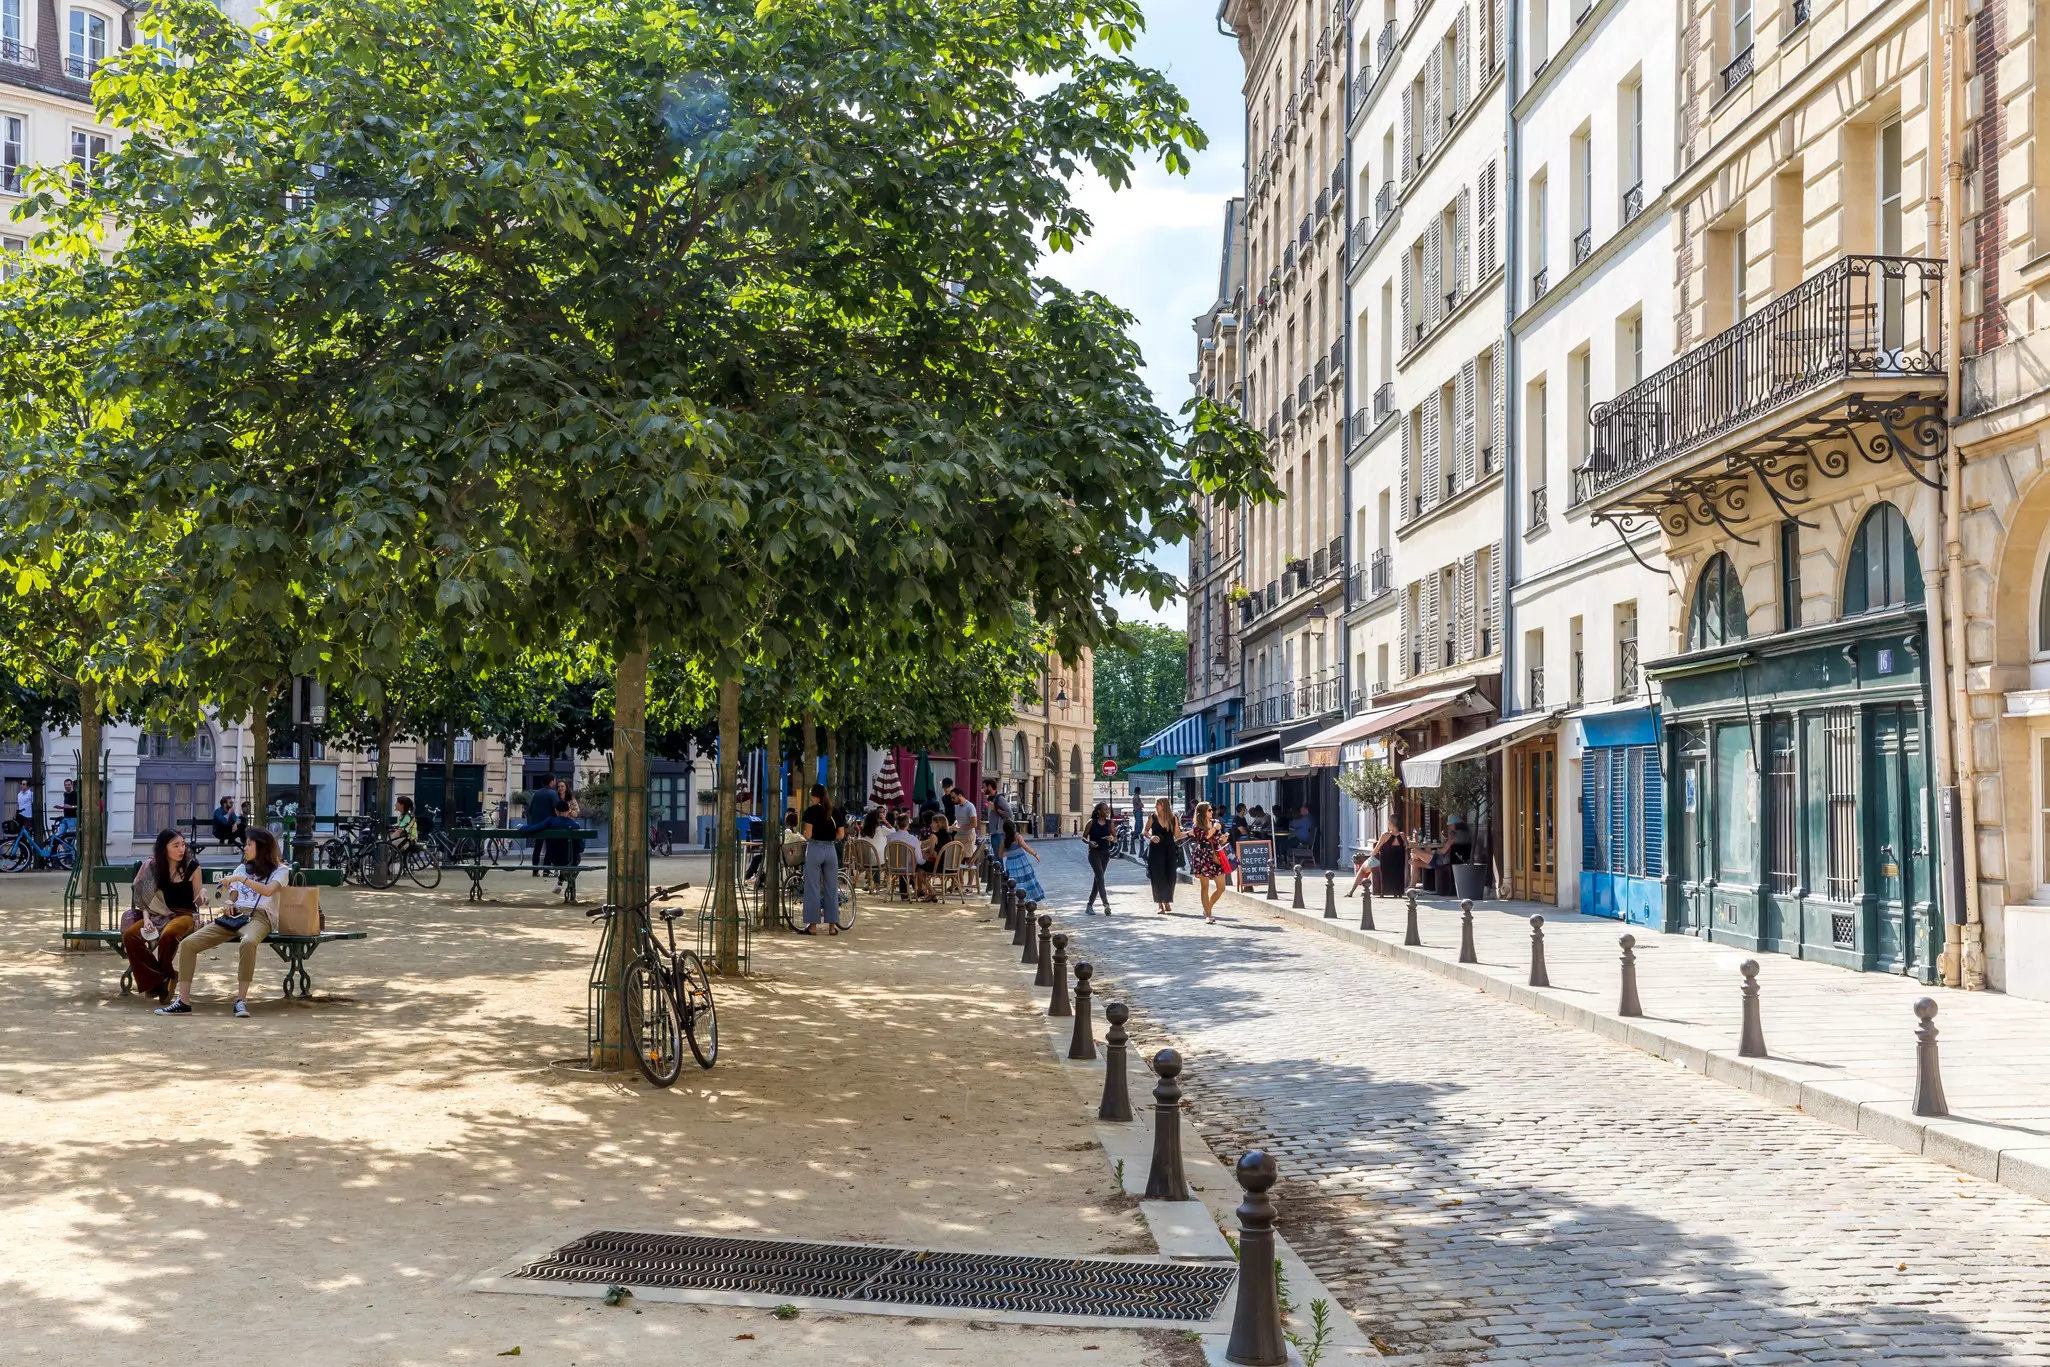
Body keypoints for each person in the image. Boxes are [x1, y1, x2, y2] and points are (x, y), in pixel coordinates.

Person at [158, 828, 289, 1018]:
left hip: (261, 917)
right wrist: (229, 901)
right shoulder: (242, 869)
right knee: (188, 944)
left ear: (261, 847)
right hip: (234, 915)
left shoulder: (280, 870)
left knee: (249, 942)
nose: (244, 848)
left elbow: (268, 891)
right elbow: (235, 898)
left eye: (249, 844)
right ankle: (183, 1001)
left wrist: (240, 879)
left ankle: (240, 1001)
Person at [124, 829, 207, 1003]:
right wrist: (146, 921)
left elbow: (198, 901)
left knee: (169, 935)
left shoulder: (192, 866)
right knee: (130, 936)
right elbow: (146, 901)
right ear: (164, 848)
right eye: (176, 845)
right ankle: (162, 978)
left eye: (183, 844)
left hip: (184, 915)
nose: (181, 849)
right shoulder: (153, 867)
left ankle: (162, 980)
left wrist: (204, 894)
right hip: (156, 914)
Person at [799, 783, 844, 935]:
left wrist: (804, 836)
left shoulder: (810, 812)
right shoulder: (835, 811)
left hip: (815, 849)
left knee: (813, 888)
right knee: (831, 888)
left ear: (814, 796)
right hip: (831, 850)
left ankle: (812, 926)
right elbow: (841, 835)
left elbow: (809, 834)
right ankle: (832, 927)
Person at [1187, 802, 1228, 924]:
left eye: (1212, 810)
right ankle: (1208, 915)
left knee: (1221, 888)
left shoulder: (1215, 822)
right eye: (1209, 810)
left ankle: (1207, 908)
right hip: (1202, 856)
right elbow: (1205, 836)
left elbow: (1218, 839)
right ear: (1202, 812)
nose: (1212, 812)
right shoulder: (1197, 825)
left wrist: (1223, 839)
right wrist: (1215, 828)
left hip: (1215, 856)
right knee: (1205, 887)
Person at [1145, 797, 1181, 915]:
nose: (1156, 806)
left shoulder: (1173, 818)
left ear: (1164, 805)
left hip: (1169, 850)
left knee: (1170, 876)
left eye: (1158, 804)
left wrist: (1191, 833)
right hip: (1155, 851)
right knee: (1157, 877)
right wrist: (1151, 837)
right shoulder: (1152, 817)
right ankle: (1160, 904)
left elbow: (1177, 835)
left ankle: (1167, 901)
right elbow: (1144, 831)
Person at [999, 818, 1044, 906]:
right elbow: (1026, 847)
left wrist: (1009, 853)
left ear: (1004, 831)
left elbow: (1001, 855)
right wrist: (1035, 854)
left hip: (1010, 864)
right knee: (1026, 880)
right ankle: (1029, 899)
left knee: (1015, 883)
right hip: (1022, 862)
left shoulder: (1003, 842)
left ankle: (1015, 901)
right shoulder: (1017, 837)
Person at [1082, 802, 1116, 914]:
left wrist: (1111, 838)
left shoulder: (1110, 823)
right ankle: (1106, 905)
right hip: (1094, 853)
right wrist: (1089, 842)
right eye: (1105, 810)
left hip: (1105, 853)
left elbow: (1115, 838)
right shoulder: (1091, 822)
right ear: (1098, 811)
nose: (1107, 812)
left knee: (1098, 879)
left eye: (1108, 810)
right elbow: (1083, 837)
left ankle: (1089, 905)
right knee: (1100, 878)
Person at [522, 779, 560, 877]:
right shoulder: (553, 793)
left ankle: (535, 870)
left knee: (537, 847)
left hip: (537, 824)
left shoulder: (536, 794)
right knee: (550, 848)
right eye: (554, 781)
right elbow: (557, 807)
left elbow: (530, 809)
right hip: (549, 825)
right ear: (551, 782)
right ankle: (546, 870)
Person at [885, 811, 923, 899]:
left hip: (893, 866)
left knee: (903, 864)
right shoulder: (913, 839)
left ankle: (905, 893)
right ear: (908, 825)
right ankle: (919, 890)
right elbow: (919, 859)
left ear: (896, 824)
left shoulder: (890, 837)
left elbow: (888, 853)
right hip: (908, 867)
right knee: (915, 866)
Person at [1372, 817, 1408, 896]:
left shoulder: (1385, 835)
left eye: (1388, 823)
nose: (1388, 825)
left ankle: (1352, 891)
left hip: (1385, 864)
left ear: (1392, 824)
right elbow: (1406, 846)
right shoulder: (1403, 835)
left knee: (1364, 869)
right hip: (1399, 865)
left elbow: (1376, 849)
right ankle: (1398, 892)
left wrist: (1372, 854)